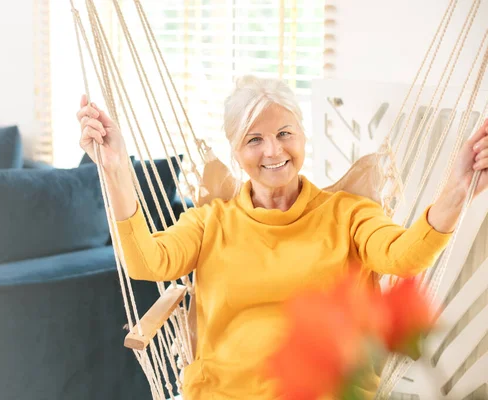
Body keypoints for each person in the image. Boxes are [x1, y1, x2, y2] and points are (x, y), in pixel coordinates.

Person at [76, 75, 488, 399]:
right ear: (236, 151)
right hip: (224, 394)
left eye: (285, 133)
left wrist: (455, 189)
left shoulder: (347, 213)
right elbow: (147, 261)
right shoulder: (210, 221)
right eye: (254, 139)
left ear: (303, 136)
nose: (273, 151)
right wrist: (113, 170)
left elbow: (405, 257)